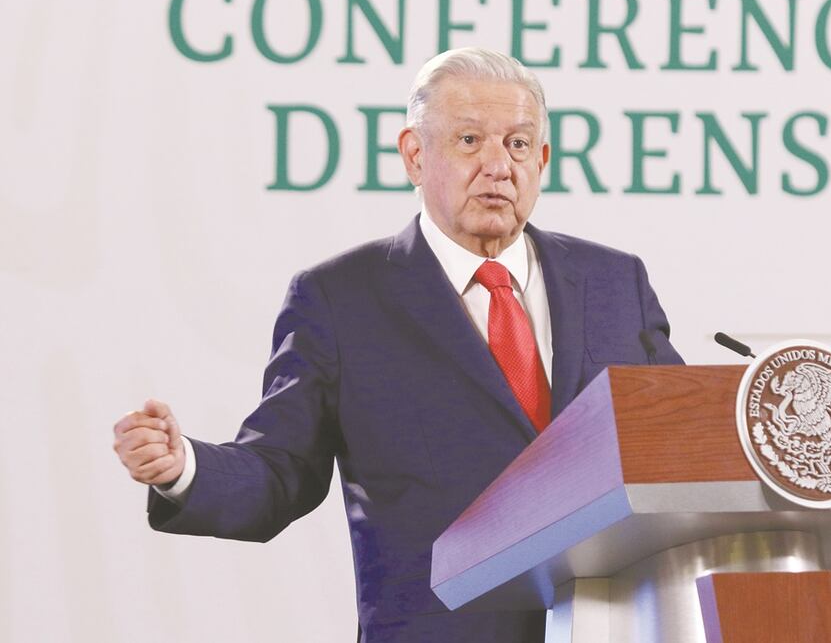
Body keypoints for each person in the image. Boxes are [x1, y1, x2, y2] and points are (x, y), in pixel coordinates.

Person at [111, 48, 683, 642]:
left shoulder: (615, 282)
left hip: (612, 627)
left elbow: (680, 447)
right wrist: (184, 468)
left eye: (517, 144)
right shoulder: (340, 299)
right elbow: (281, 471)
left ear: (541, 160)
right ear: (415, 154)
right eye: (469, 140)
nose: (497, 166)